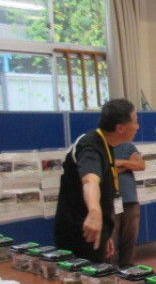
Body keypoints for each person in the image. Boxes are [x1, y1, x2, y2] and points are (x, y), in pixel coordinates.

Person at [54, 99, 139, 263]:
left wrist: (105, 231)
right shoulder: (90, 146)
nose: (138, 127)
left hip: (95, 231)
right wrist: (94, 213)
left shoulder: (106, 146)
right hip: (81, 232)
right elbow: (90, 180)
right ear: (120, 128)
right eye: (135, 122)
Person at [113, 141, 145, 267]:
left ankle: (127, 267)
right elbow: (105, 170)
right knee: (110, 239)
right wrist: (129, 163)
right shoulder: (101, 146)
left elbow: (141, 165)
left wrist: (120, 163)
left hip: (130, 199)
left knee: (130, 237)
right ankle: (107, 270)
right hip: (111, 200)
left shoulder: (128, 146)